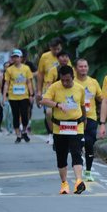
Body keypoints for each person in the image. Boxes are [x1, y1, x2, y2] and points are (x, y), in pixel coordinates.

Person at [42, 64, 87, 195]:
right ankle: (64, 183)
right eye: (62, 80)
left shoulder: (80, 88)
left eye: (67, 80)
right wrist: (57, 105)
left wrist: (85, 120)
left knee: (77, 153)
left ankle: (78, 182)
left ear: (73, 77)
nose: (65, 83)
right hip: (60, 127)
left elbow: (82, 106)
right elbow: (44, 101)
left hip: (76, 126)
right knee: (61, 157)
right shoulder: (54, 87)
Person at [74, 57, 103, 181]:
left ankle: (88, 171)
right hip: (76, 117)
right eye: (80, 66)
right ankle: (78, 169)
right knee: (77, 144)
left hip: (91, 117)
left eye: (85, 66)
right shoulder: (72, 82)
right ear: (75, 68)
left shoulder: (93, 82)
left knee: (89, 143)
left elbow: (101, 98)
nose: (83, 69)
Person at [2, 49, 35, 143]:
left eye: (17, 57)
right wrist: (4, 97)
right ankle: (18, 135)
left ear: (21, 58)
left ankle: (24, 131)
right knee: (15, 115)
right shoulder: (9, 70)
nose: (15, 59)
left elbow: (29, 82)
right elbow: (6, 84)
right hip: (13, 97)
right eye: (14, 57)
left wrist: (31, 95)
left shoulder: (26, 68)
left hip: (24, 96)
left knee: (25, 115)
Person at [42, 50, 72, 145]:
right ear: (58, 59)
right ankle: (51, 133)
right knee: (48, 112)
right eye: (62, 56)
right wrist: (47, 96)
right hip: (54, 95)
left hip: (67, 95)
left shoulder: (71, 69)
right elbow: (48, 84)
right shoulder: (53, 70)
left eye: (66, 56)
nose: (65, 58)